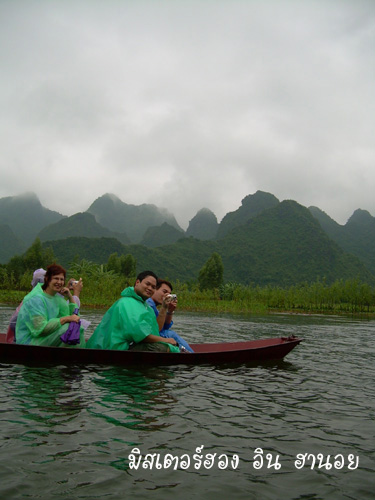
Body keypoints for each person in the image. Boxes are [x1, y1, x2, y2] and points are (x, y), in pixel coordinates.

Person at [86, 271, 180, 352]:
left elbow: (155, 330)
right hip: (117, 348)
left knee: (168, 345)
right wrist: (165, 340)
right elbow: (142, 335)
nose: (150, 288)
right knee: (164, 347)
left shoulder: (145, 306)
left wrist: (164, 308)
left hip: (129, 346)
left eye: (153, 287)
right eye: (147, 284)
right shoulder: (127, 303)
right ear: (137, 282)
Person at [15, 263, 85, 347]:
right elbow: (40, 329)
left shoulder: (56, 298)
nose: (59, 282)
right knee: (67, 328)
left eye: (62, 279)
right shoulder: (35, 299)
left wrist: (70, 297)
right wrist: (66, 319)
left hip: (44, 339)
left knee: (76, 328)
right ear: (47, 279)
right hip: (30, 342)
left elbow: (75, 316)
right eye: (56, 279)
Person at [146, 279, 194, 352]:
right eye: (164, 292)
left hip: (157, 336)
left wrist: (170, 311)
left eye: (169, 294)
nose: (167, 296)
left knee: (170, 333)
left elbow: (165, 326)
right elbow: (156, 330)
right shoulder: (149, 304)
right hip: (152, 338)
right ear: (154, 290)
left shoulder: (155, 307)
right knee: (170, 334)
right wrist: (164, 308)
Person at [6, 268, 46, 343]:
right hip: (26, 342)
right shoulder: (35, 298)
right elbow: (14, 323)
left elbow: (13, 323)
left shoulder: (31, 296)